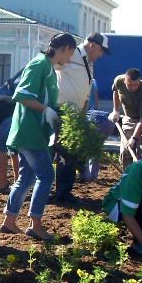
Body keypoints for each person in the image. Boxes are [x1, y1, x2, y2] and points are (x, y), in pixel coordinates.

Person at [0, 32, 75, 242]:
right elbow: (21, 95)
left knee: (27, 177)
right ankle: (35, 224)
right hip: (29, 132)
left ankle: (9, 221)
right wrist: (45, 110)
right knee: (46, 175)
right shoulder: (39, 64)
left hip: (33, 132)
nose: (69, 59)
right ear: (65, 48)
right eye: (70, 54)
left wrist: (54, 111)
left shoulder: (48, 68)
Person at [54, 32, 110, 204]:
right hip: (61, 111)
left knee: (72, 153)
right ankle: (55, 191)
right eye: (101, 50)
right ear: (92, 45)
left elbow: (85, 89)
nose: (101, 55)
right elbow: (51, 68)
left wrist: (83, 114)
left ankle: (65, 191)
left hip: (77, 114)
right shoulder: (71, 54)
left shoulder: (89, 62)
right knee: (61, 153)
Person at [109, 67, 142, 169]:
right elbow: (116, 91)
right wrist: (115, 110)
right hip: (129, 116)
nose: (133, 87)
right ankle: (127, 174)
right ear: (124, 80)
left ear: (139, 81)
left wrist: (134, 138)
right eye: (130, 84)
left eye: (136, 84)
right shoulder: (119, 81)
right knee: (125, 150)